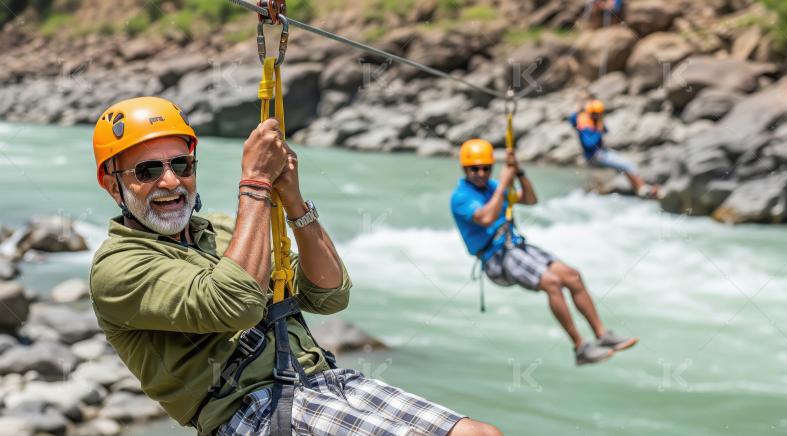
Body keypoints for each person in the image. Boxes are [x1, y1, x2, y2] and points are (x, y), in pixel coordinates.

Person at [89, 97, 502, 436]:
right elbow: (235, 304)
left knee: (481, 434)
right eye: (148, 170)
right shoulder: (117, 268)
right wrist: (254, 183)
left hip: (321, 379)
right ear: (113, 185)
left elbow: (329, 295)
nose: (170, 182)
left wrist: (294, 202)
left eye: (181, 165)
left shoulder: (224, 230)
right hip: (250, 409)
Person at [450, 139, 638, 366]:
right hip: (496, 258)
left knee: (572, 276)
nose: (481, 174)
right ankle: (580, 348)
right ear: (465, 169)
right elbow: (486, 218)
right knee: (552, 283)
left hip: (515, 246)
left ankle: (602, 335)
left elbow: (530, 199)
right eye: (474, 169)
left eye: (486, 168)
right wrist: (503, 183)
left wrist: (519, 173)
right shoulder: (461, 197)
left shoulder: (491, 187)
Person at [569, 99, 659, 198]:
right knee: (628, 165)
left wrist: (599, 127)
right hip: (596, 156)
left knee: (626, 165)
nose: (600, 115)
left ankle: (640, 189)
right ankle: (642, 190)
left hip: (601, 153)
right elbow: (589, 144)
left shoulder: (594, 122)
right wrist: (598, 131)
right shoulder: (586, 125)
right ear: (593, 113)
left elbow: (605, 130)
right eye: (598, 113)